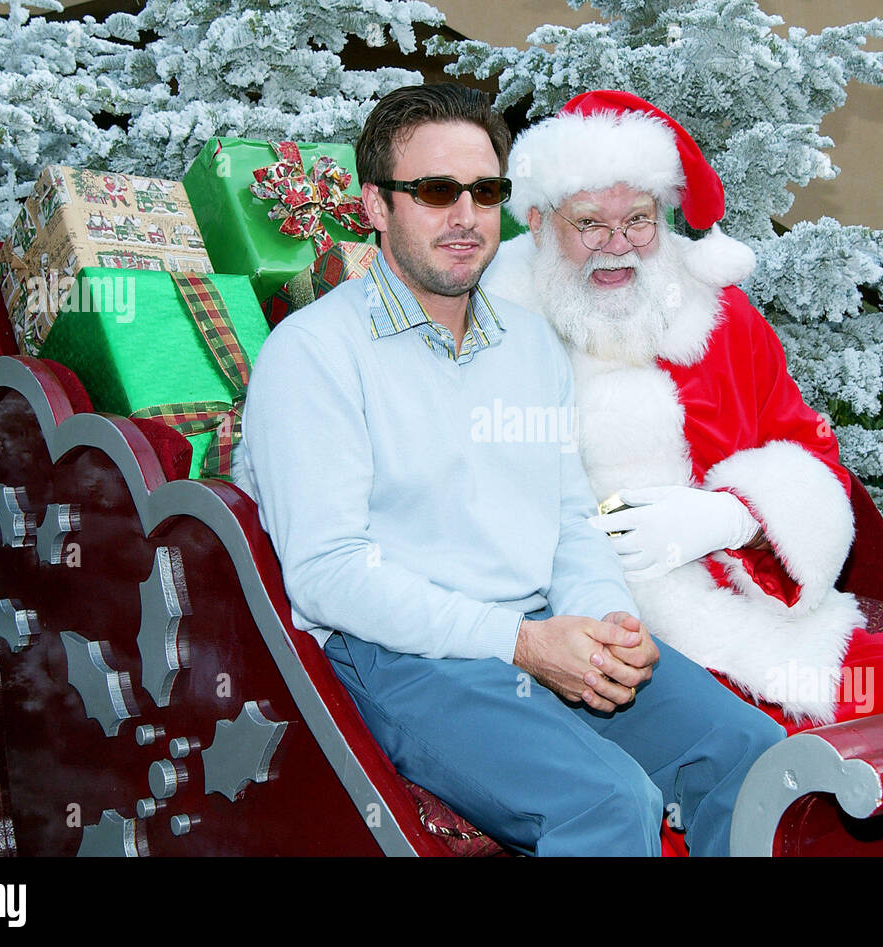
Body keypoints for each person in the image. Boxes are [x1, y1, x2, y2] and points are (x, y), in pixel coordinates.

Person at [236, 83, 785, 857]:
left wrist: (603, 620)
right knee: (606, 802)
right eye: (434, 192)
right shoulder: (314, 354)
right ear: (374, 205)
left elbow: (566, 515)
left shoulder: (527, 344)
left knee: (747, 750)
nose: (465, 216)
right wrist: (522, 645)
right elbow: (327, 573)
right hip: (402, 657)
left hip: (537, 624)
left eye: (484, 191)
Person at [483, 90, 883, 733]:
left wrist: (733, 517)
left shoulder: (720, 317)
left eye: (638, 220)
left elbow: (809, 451)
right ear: (536, 222)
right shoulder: (495, 327)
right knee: (709, 763)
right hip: (584, 626)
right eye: (589, 224)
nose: (618, 246)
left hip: (739, 597)